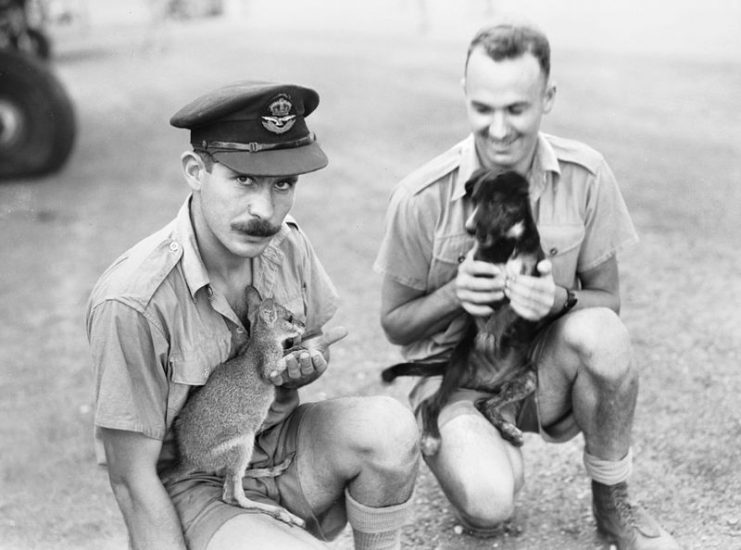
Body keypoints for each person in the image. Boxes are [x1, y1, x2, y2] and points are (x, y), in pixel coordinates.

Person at [374, 19, 680, 550]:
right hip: (460, 379)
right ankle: (458, 445)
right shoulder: (420, 197)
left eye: (516, 109)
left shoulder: (587, 176)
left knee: (603, 334)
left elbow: (609, 302)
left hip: (538, 371)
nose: (498, 129)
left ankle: (613, 505)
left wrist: (558, 298)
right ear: (465, 95)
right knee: (491, 503)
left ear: (548, 98)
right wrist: (454, 294)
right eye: (483, 108)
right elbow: (395, 326)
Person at [86, 81, 419, 550]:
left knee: (391, 428)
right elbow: (131, 482)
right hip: (197, 483)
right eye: (242, 179)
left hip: (279, 446)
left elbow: (309, 341)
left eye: (282, 183)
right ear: (195, 171)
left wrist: (308, 362)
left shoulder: (285, 243)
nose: (264, 211)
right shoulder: (132, 302)